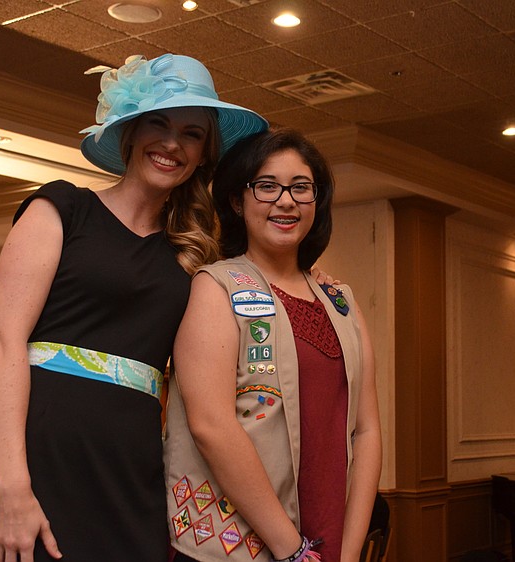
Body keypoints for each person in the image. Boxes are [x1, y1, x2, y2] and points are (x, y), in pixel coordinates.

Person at [0, 53, 267, 562]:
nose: (172, 143)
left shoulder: (196, 253)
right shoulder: (62, 207)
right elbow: (1, 341)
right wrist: (12, 487)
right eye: (159, 124)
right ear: (129, 132)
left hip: (131, 469)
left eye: (191, 133)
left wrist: (311, 276)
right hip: (38, 458)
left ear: (204, 153)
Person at [164, 128, 382, 562]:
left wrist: (350, 552)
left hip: (328, 536)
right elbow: (211, 426)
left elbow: (368, 430)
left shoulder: (341, 301)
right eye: (267, 186)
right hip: (239, 543)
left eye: (301, 188)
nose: (286, 201)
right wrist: (293, 551)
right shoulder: (216, 287)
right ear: (236, 201)